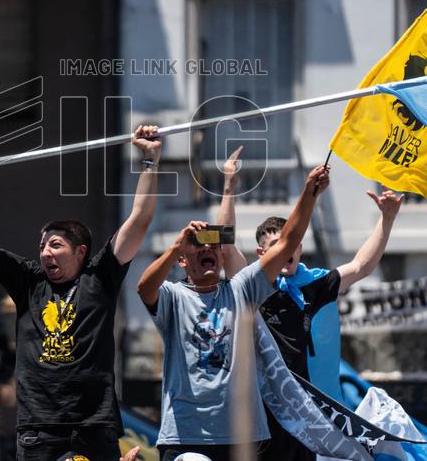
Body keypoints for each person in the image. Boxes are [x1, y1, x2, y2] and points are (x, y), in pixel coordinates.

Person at [0, 125, 163, 461]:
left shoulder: (100, 276)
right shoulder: (29, 280)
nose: (45, 253)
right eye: (41, 246)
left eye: (56, 245)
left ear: (81, 252)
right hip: (40, 427)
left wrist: (150, 160)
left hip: (93, 425)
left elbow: (139, 220)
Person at [136, 149, 331, 461]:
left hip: (243, 439)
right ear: (184, 260)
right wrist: (175, 247)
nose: (208, 249)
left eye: (213, 245)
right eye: (197, 247)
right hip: (186, 435)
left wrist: (309, 193)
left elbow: (287, 243)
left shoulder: (242, 289)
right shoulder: (174, 296)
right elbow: (144, 287)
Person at [223, 167, 405, 461]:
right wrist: (229, 187)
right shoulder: (255, 288)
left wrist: (387, 219)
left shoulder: (316, 283)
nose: (286, 252)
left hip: (319, 414)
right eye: (276, 247)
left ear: (300, 247)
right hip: (272, 412)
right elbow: (227, 248)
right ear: (261, 254)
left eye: (290, 244)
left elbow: (361, 266)